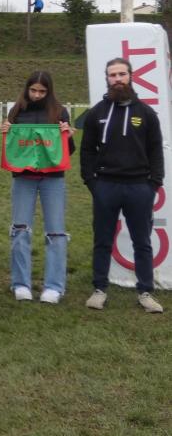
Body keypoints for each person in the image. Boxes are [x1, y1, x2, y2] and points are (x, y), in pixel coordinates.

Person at [81, 58, 164, 313]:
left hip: (140, 187)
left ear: (131, 76)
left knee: (142, 241)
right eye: (112, 75)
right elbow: (87, 151)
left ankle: (145, 291)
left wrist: (153, 183)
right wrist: (92, 182)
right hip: (106, 185)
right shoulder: (97, 112)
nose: (117, 79)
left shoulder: (147, 113)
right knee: (102, 239)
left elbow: (155, 151)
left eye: (122, 74)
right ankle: (99, 289)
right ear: (107, 79)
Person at [0, 71, 74, 304]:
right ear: (27, 88)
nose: (37, 95)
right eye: (34, 90)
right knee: (20, 229)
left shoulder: (60, 112)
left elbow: (68, 150)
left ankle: (54, 285)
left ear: (49, 91)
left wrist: (67, 137)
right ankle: (20, 283)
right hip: (23, 177)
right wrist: (6, 133)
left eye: (42, 91)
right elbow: (12, 146)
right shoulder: (17, 111)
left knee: (56, 231)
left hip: (53, 177)